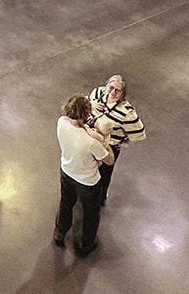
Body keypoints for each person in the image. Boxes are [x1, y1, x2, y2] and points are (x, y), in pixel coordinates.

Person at [53, 94, 113, 258]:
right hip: (87, 182)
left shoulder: (61, 123)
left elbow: (71, 118)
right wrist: (104, 140)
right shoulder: (90, 141)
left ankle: (60, 233)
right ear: (86, 115)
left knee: (66, 203)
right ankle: (86, 245)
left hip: (66, 171)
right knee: (90, 214)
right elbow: (109, 160)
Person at [87, 75, 146, 204]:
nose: (113, 92)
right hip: (90, 140)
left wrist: (126, 140)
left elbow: (138, 130)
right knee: (88, 169)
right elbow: (84, 105)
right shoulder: (97, 94)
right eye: (111, 87)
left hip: (109, 147)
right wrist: (90, 104)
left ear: (122, 94)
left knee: (104, 174)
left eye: (117, 90)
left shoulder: (127, 112)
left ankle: (99, 197)